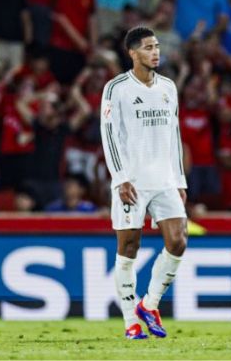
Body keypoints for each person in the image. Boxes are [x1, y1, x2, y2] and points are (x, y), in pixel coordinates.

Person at [100, 26, 188, 340]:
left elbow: (174, 135)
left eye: (157, 46)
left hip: (164, 179)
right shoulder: (116, 88)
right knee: (129, 248)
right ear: (133, 53)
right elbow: (109, 135)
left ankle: (149, 304)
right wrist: (120, 178)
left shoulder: (168, 87)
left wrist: (179, 179)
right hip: (132, 180)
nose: (156, 52)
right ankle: (130, 322)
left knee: (178, 241)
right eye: (149, 47)